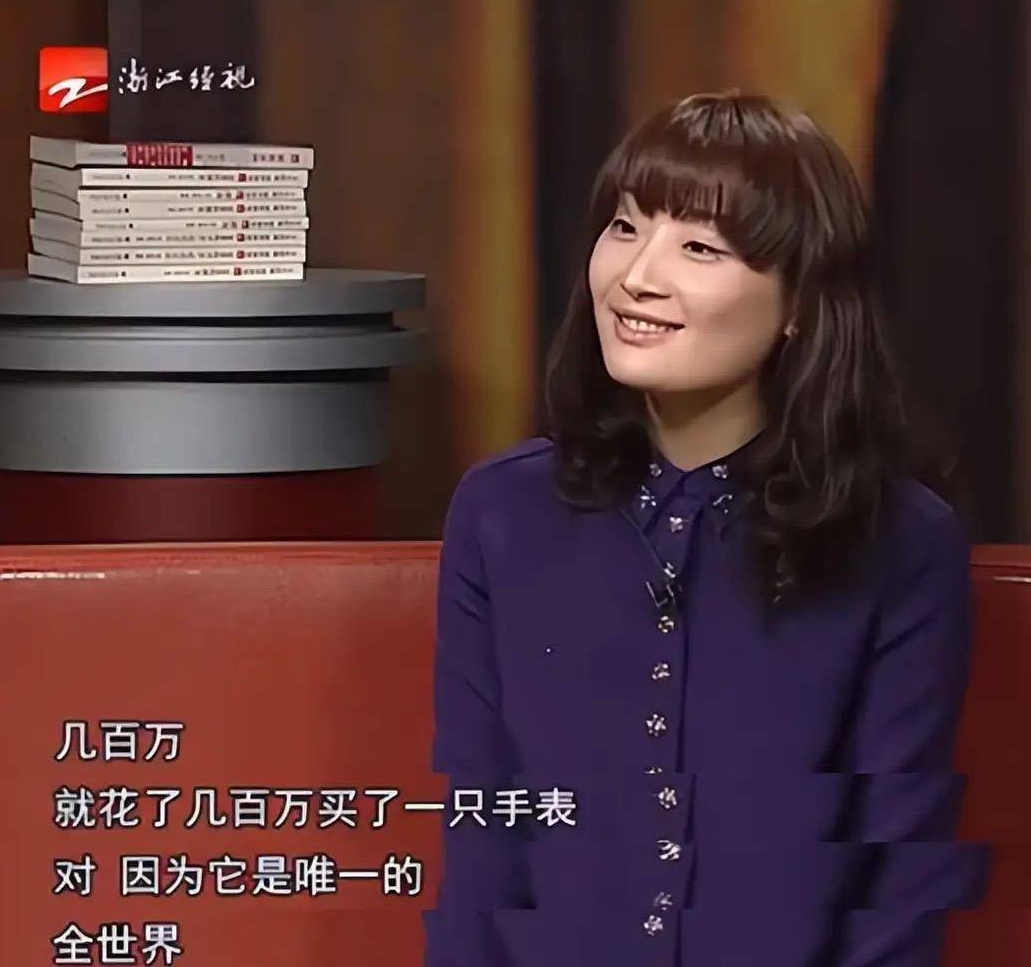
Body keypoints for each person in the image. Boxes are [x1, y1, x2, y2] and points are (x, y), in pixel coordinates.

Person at [422, 91, 990, 967]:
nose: (637, 277)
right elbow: (485, 842)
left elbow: (897, 883)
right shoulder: (502, 514)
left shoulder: (900, 542)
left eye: (700, 247)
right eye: (624, 227)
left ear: (800, 303)